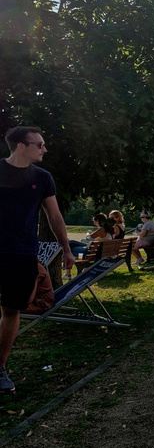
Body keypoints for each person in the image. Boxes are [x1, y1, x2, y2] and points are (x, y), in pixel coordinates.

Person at [0, 126, 75, 393]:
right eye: (39, 144)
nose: (44, 149)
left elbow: (54, 217)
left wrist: (66, 249)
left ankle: (0, 368)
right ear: (21, 146)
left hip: (22, 253)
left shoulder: (43, 178)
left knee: (11, 309)